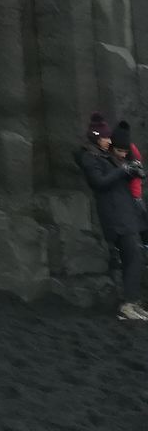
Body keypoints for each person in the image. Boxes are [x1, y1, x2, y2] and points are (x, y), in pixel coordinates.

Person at [75, 111, 148, 321]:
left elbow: (125, 174)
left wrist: (132, 170)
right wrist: (124, 171)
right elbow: (99, 183)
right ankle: (128, 305)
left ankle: (131, 302)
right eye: (106, 137)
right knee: (133, 255)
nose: (109, 140)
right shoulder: (90, 158)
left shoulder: (107, 157)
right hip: (115, 216)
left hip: (125, 214)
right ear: (97, 137)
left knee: (133, 258)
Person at [110, 120, 148, 253]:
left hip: (133, 193)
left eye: (125, 151)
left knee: (143, 224)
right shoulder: (107, 155)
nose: (122, 154)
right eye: (119, 151)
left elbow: (138, 173)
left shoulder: (132, 152)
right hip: (119, 196)